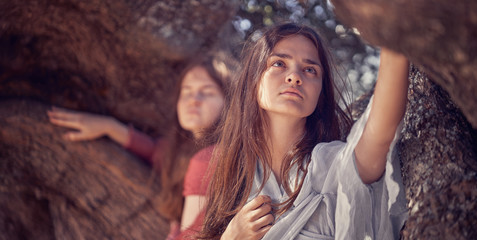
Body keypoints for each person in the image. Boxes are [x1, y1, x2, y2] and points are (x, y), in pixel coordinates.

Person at [199, 23, 409, 240]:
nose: (294, 77)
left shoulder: (333, 169)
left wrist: (395, 35)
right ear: (253, 81)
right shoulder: (235, 179)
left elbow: (381, 134)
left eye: (310, 70)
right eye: (279, 63)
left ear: (320, 94)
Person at [47, 56, 228, 240]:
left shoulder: (212, 157)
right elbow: (154, 150)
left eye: (207, 92)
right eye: (186, 91)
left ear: (230, 103)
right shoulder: (180, 152)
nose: (193, 100)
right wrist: (109, 126)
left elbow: (194, 237)